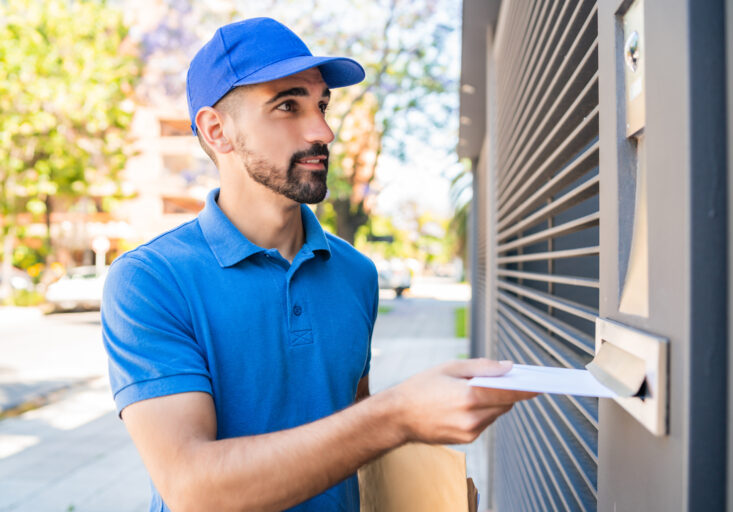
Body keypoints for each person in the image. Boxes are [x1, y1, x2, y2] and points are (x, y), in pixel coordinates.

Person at [101, 17, 535, 512]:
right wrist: (397, 415)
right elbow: (194, 488)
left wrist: (428, 489)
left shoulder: (357, 273)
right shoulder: (149, 281)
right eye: (288, 106)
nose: (323, 131)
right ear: (216, 130)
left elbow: (353, 426)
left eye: (322, 105)